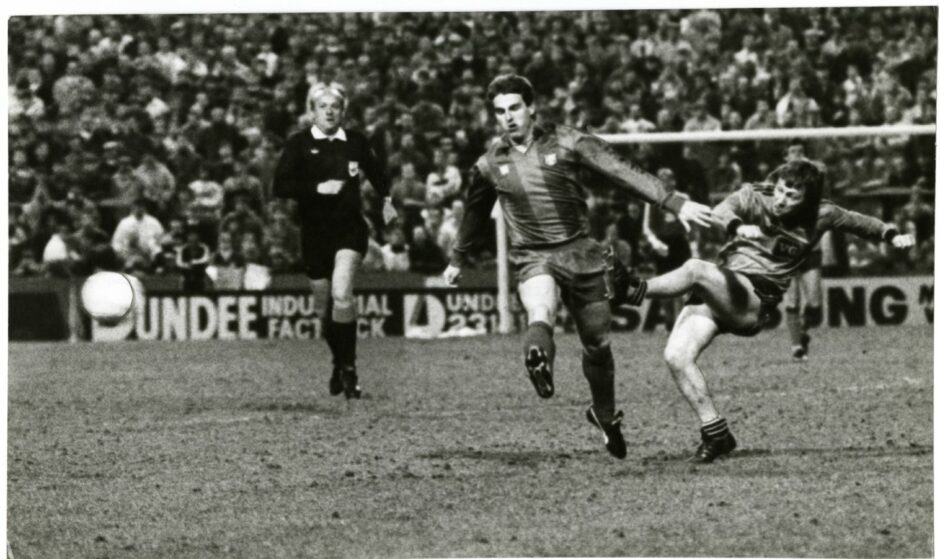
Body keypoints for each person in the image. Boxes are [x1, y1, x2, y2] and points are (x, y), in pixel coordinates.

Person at [442, 74, 713, 459]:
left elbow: (621, 170)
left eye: (515, 107)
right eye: (500, 111)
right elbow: (474, 212)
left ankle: (604, 415)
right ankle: (538, 361)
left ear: (531, 107)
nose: (508, 117)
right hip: (533, 255)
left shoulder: (569, 140)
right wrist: (457, 258)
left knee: (598, 345)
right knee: (541, 309)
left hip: (582, 253)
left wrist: (672, 201)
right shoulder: (490, 163)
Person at [609, 160, 915, 463]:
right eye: (781, 191)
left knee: (694, 269)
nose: (782, 200)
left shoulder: (823, 213)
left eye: (792, 196)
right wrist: (739, 225)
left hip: (755, 298)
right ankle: (716, 432)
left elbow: (861, 223)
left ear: (807, 198)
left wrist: (892, 235)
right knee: (676, 357)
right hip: (722, 288)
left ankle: (633, 291)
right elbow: (721, 211)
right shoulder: (756, 195)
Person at [272, 83, 397, 400]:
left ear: (343, 111)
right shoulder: (298, 144)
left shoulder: (355, 142)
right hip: (314, 234)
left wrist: (387, 199)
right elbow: (280, 186)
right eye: (322, 106)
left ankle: (350, 368)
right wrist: (317, 188)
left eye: (335, 106)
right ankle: (339, 361)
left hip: (349, 230)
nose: (329, 111)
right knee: (323, 307)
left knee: (343, 292)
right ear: (311, 111)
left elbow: (378, 172)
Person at [780, 141, 822, 361]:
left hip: (810, 249)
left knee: (815, 304)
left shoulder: (814, 181)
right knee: (792, 300)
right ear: (786, 157)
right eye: (793, 152)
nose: (797, 155)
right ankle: (796, 347)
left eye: (801, 152)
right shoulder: (777, 184)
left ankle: (804, 333)